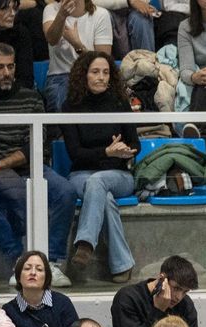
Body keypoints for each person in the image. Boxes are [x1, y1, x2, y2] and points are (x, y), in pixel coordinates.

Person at [0, 45, 75, 290]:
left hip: (28, 167)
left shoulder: (31, 97)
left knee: (66, 191)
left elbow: (36, 148)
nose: (6, 72)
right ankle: (20, 261)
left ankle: (52, 262)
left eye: (11, 66)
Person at [61, 52, 140, 283]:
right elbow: (75, 153)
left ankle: (85, 242)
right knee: (101, 195)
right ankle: (122, 263)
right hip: (80, 175)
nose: (101, 77)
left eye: (106, 72)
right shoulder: (71, 106)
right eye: (95, 72)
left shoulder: (119, 103)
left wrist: (126, 151)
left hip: (119, 175)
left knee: (99, 182)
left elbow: (135, 143)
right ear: (83, 75)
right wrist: (106, 152)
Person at [110, 257, 200, 327]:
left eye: (185, 291)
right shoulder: (128, 297)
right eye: (176, 288)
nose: (179, 297)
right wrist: (158, 310)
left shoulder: (186, 304)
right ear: (162, 278)